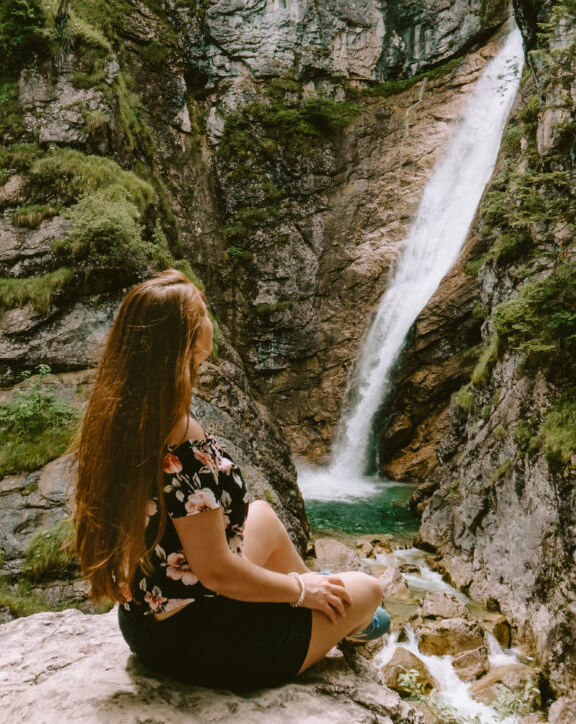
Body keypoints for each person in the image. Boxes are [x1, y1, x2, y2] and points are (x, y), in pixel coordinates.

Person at [72, 268, 389, 692]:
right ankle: (321, 611)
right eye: (202, 313)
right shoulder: (179, 440)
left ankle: (320, 611)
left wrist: (303, 589)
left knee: (262, 516)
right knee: (368, 590)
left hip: (147, 622)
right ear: (183, 341)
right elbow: (217, 572)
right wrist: (299, 589)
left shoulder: (125, 415)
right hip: (202, 641)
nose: (210, 321)